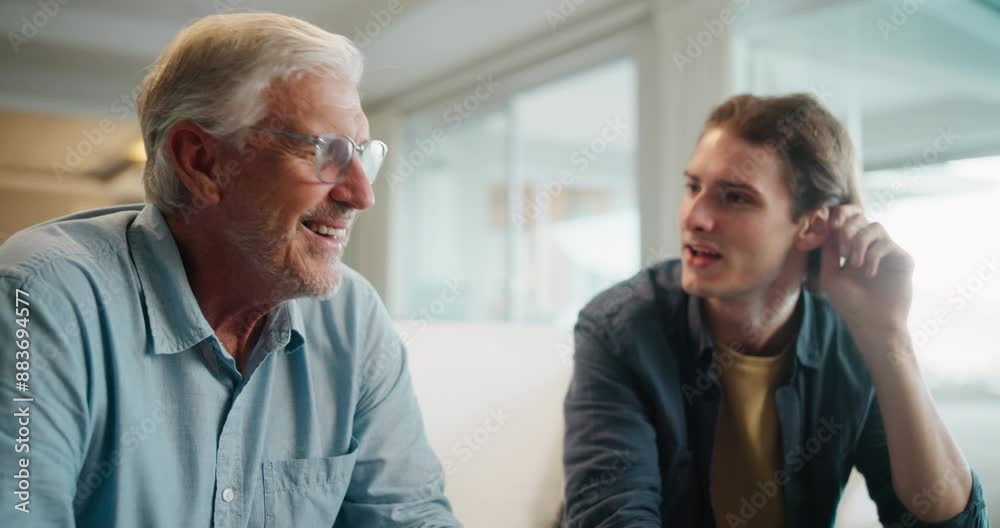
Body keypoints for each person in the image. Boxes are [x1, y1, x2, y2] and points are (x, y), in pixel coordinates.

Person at [0, 13, 460, 527]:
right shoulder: (43, 297)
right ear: (201, 161)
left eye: (361, 155)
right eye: (327, 152)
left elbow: (409, 517)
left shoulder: (353, 319)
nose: (362, 194)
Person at [562, 94, 988, 527]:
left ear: (812, 226)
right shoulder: (620, 330)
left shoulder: (852, 337)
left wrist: (889, 336)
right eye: (693, 187)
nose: (695, 217)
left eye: (734, 197)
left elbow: (948, 523)